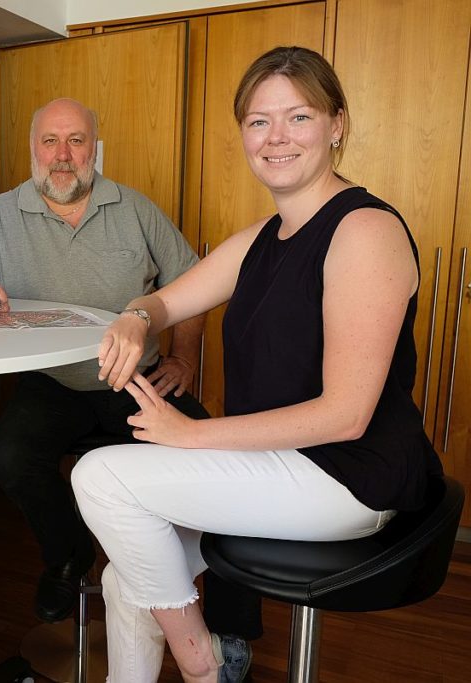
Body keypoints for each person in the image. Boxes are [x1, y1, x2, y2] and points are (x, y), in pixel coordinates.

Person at [71, 46, 445, 683]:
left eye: (297, 117)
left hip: (349, 476)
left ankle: (203, 667)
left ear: (337, 124)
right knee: (127, 575)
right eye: (258, 121)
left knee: (101, 477)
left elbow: (347, 416)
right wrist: (137, 315)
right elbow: (165, 300)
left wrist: (191, 435)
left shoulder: (364, 232)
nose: (276, 138)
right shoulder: (264, 237)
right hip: (278, 464)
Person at [0, 97, 260, 662]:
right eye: (50, 141)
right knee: (9, 455)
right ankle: (69, 553)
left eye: (76, 141)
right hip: (53, 383)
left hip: (138, 380)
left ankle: (233, 633)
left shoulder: (134, 208)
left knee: (223, 470)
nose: (62, 155)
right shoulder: (1, 214)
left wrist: (183, 361)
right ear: (33, 149)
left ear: (94, 149)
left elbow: (192, 287)